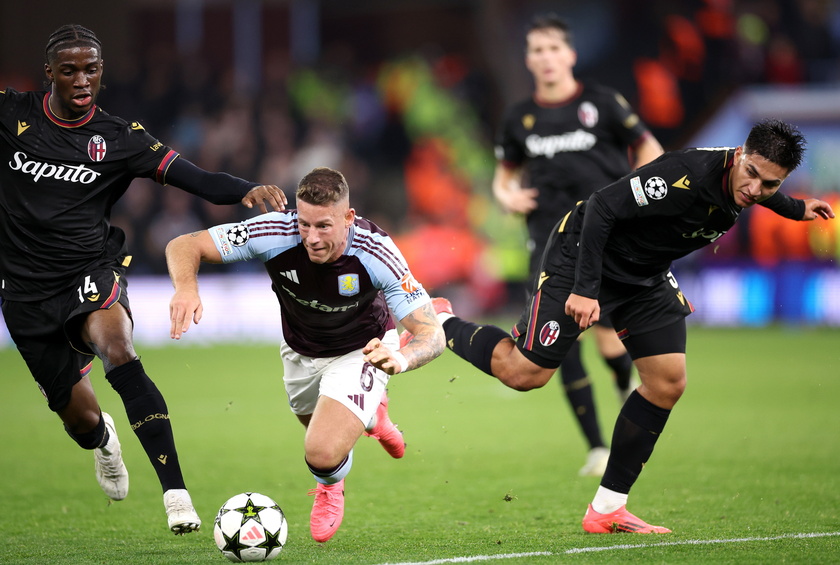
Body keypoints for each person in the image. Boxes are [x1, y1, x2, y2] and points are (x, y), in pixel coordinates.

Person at [409, 119, 834, 533]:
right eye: (752, 175)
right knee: (523, 374)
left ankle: (607, 509)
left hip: (643, 275)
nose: (755, 190)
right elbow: (602, 208)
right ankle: (442, 320)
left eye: (770, 185)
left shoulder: (751, 182)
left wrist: (796, 207)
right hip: (582, 256)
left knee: (667, 381)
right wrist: (585, 289)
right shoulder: (683, 175)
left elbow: (759, 189)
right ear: (739, 155)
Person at [0, 24, 286, 535]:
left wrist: (248, 189)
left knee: (120, 353)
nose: (82, 79)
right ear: (50, 75)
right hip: (23, 291)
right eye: (70, 70)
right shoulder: (11, 114)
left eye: (91, 68)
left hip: (89, 271)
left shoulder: (119, 138)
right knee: (81, 421)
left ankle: (176, 494)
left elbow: (195, 177)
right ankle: (104, 440)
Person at [165, 166, 446, 543]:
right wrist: (186, 287)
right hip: (299, 350)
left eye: (323, 227)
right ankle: (372, 414)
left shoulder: (376, 252)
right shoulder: (273, 231)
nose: (311, 238)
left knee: (321, 452)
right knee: (311, 421)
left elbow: (432, 333)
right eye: (304, 224)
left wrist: (401, 360)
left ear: (348, 218)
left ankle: (332, 485)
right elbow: (184, 244)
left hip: (363, 350)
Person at [492, 14, 665, 477]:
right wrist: (508, 195)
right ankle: (596, 447)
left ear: (569, 54)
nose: (546, 58)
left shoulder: (603, 103)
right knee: (560, 343)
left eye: (553, 48)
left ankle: (624, 381)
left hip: (608, 239)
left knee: (610, 336)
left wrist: (637, 190)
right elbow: (504, 176)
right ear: (528, 59)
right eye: (537, 50)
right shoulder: (519, 118)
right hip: (548, 244)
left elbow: (650, 149)